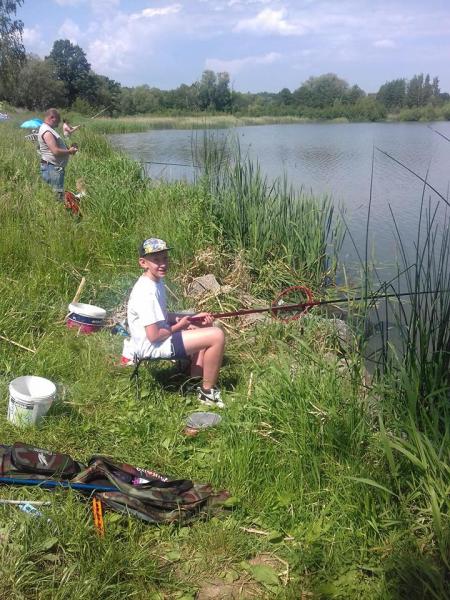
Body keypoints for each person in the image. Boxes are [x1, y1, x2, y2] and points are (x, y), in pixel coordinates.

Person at [122, 238, 226, 408]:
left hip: (160, 337)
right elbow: (154, 336)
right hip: (153, 345)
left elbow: (162, 316)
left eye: (165, 258)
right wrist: (181, 325)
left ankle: (194, 378)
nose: (162, 264)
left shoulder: (155, 281)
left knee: (204, 325)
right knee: (217, 336)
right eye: (156, 260)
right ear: (143, 263)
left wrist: (194, 318)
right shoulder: (147, 292)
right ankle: (207, 393)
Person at [38, 109, 78, 201]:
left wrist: (69, 148)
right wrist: (70, 152)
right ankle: (55, 213)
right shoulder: (47, 131)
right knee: (57, 198)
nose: (59, 124)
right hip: (52, 169)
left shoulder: (49, 129)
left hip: (53, 168)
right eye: (58, 121)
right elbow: (55, 151)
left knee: (56, 196)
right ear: (52, 118)